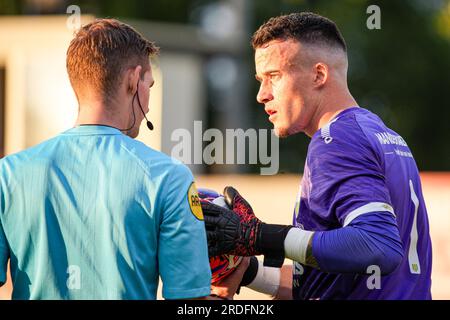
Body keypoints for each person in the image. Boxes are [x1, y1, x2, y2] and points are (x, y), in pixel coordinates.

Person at [202, 12, 432, 300]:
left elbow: (378, 246)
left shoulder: (335, 141)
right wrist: (249, 272)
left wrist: (261, 236)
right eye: (261, 79)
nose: (262, 94)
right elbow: (328, 283)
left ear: (319, 75)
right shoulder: (379, 133)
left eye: (274, 76)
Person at [0, 18, 215, 299]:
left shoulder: (8, 173)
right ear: (133, 80)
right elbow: (190, 302)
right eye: (149, 85)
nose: (148, 100)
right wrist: (243, 274)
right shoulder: (169, 177)